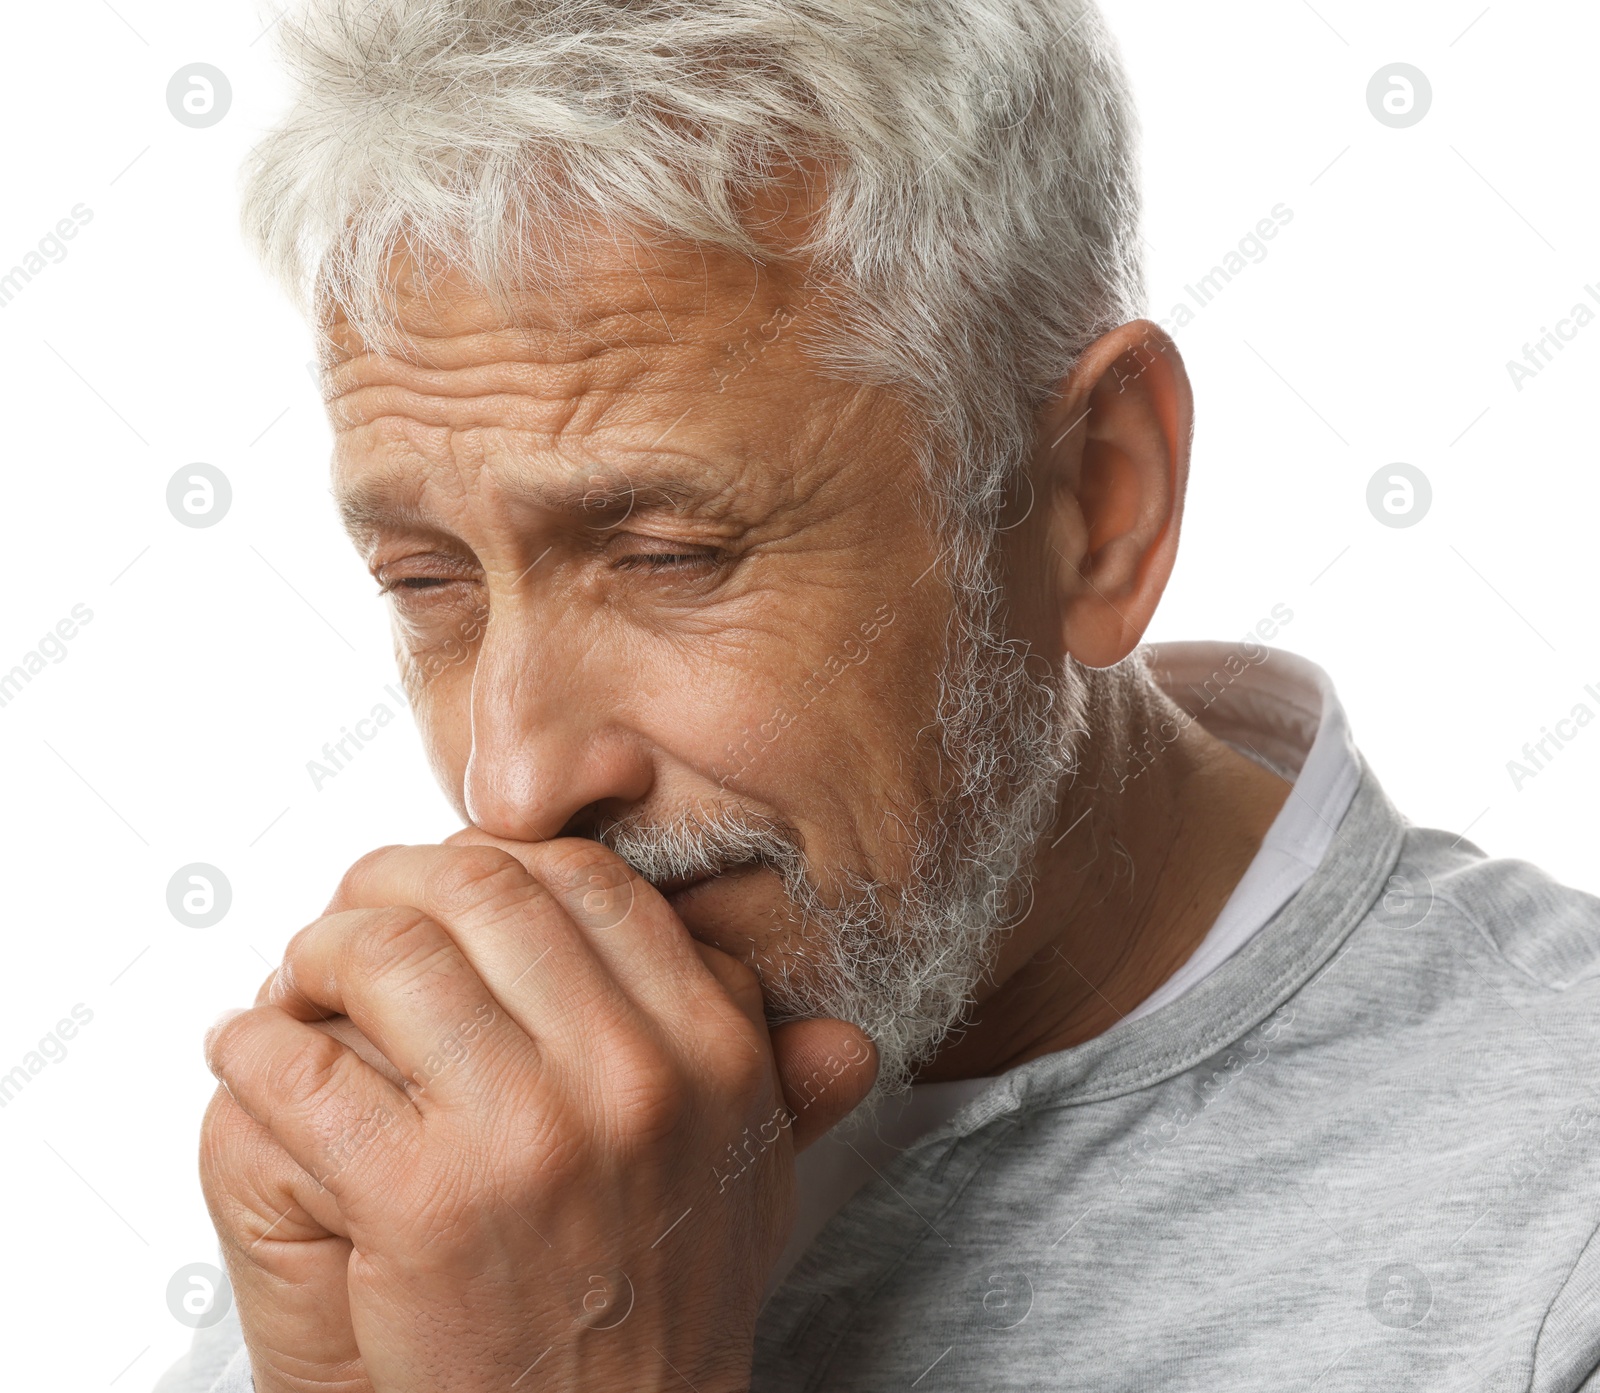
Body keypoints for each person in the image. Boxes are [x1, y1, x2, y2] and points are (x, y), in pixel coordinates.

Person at [157, 1, 1600, 1389]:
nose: (511, 781)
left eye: (668, 555)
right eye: (429, 582)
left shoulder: (1557, 1233)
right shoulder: (452, 1156)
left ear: (1094, 499)